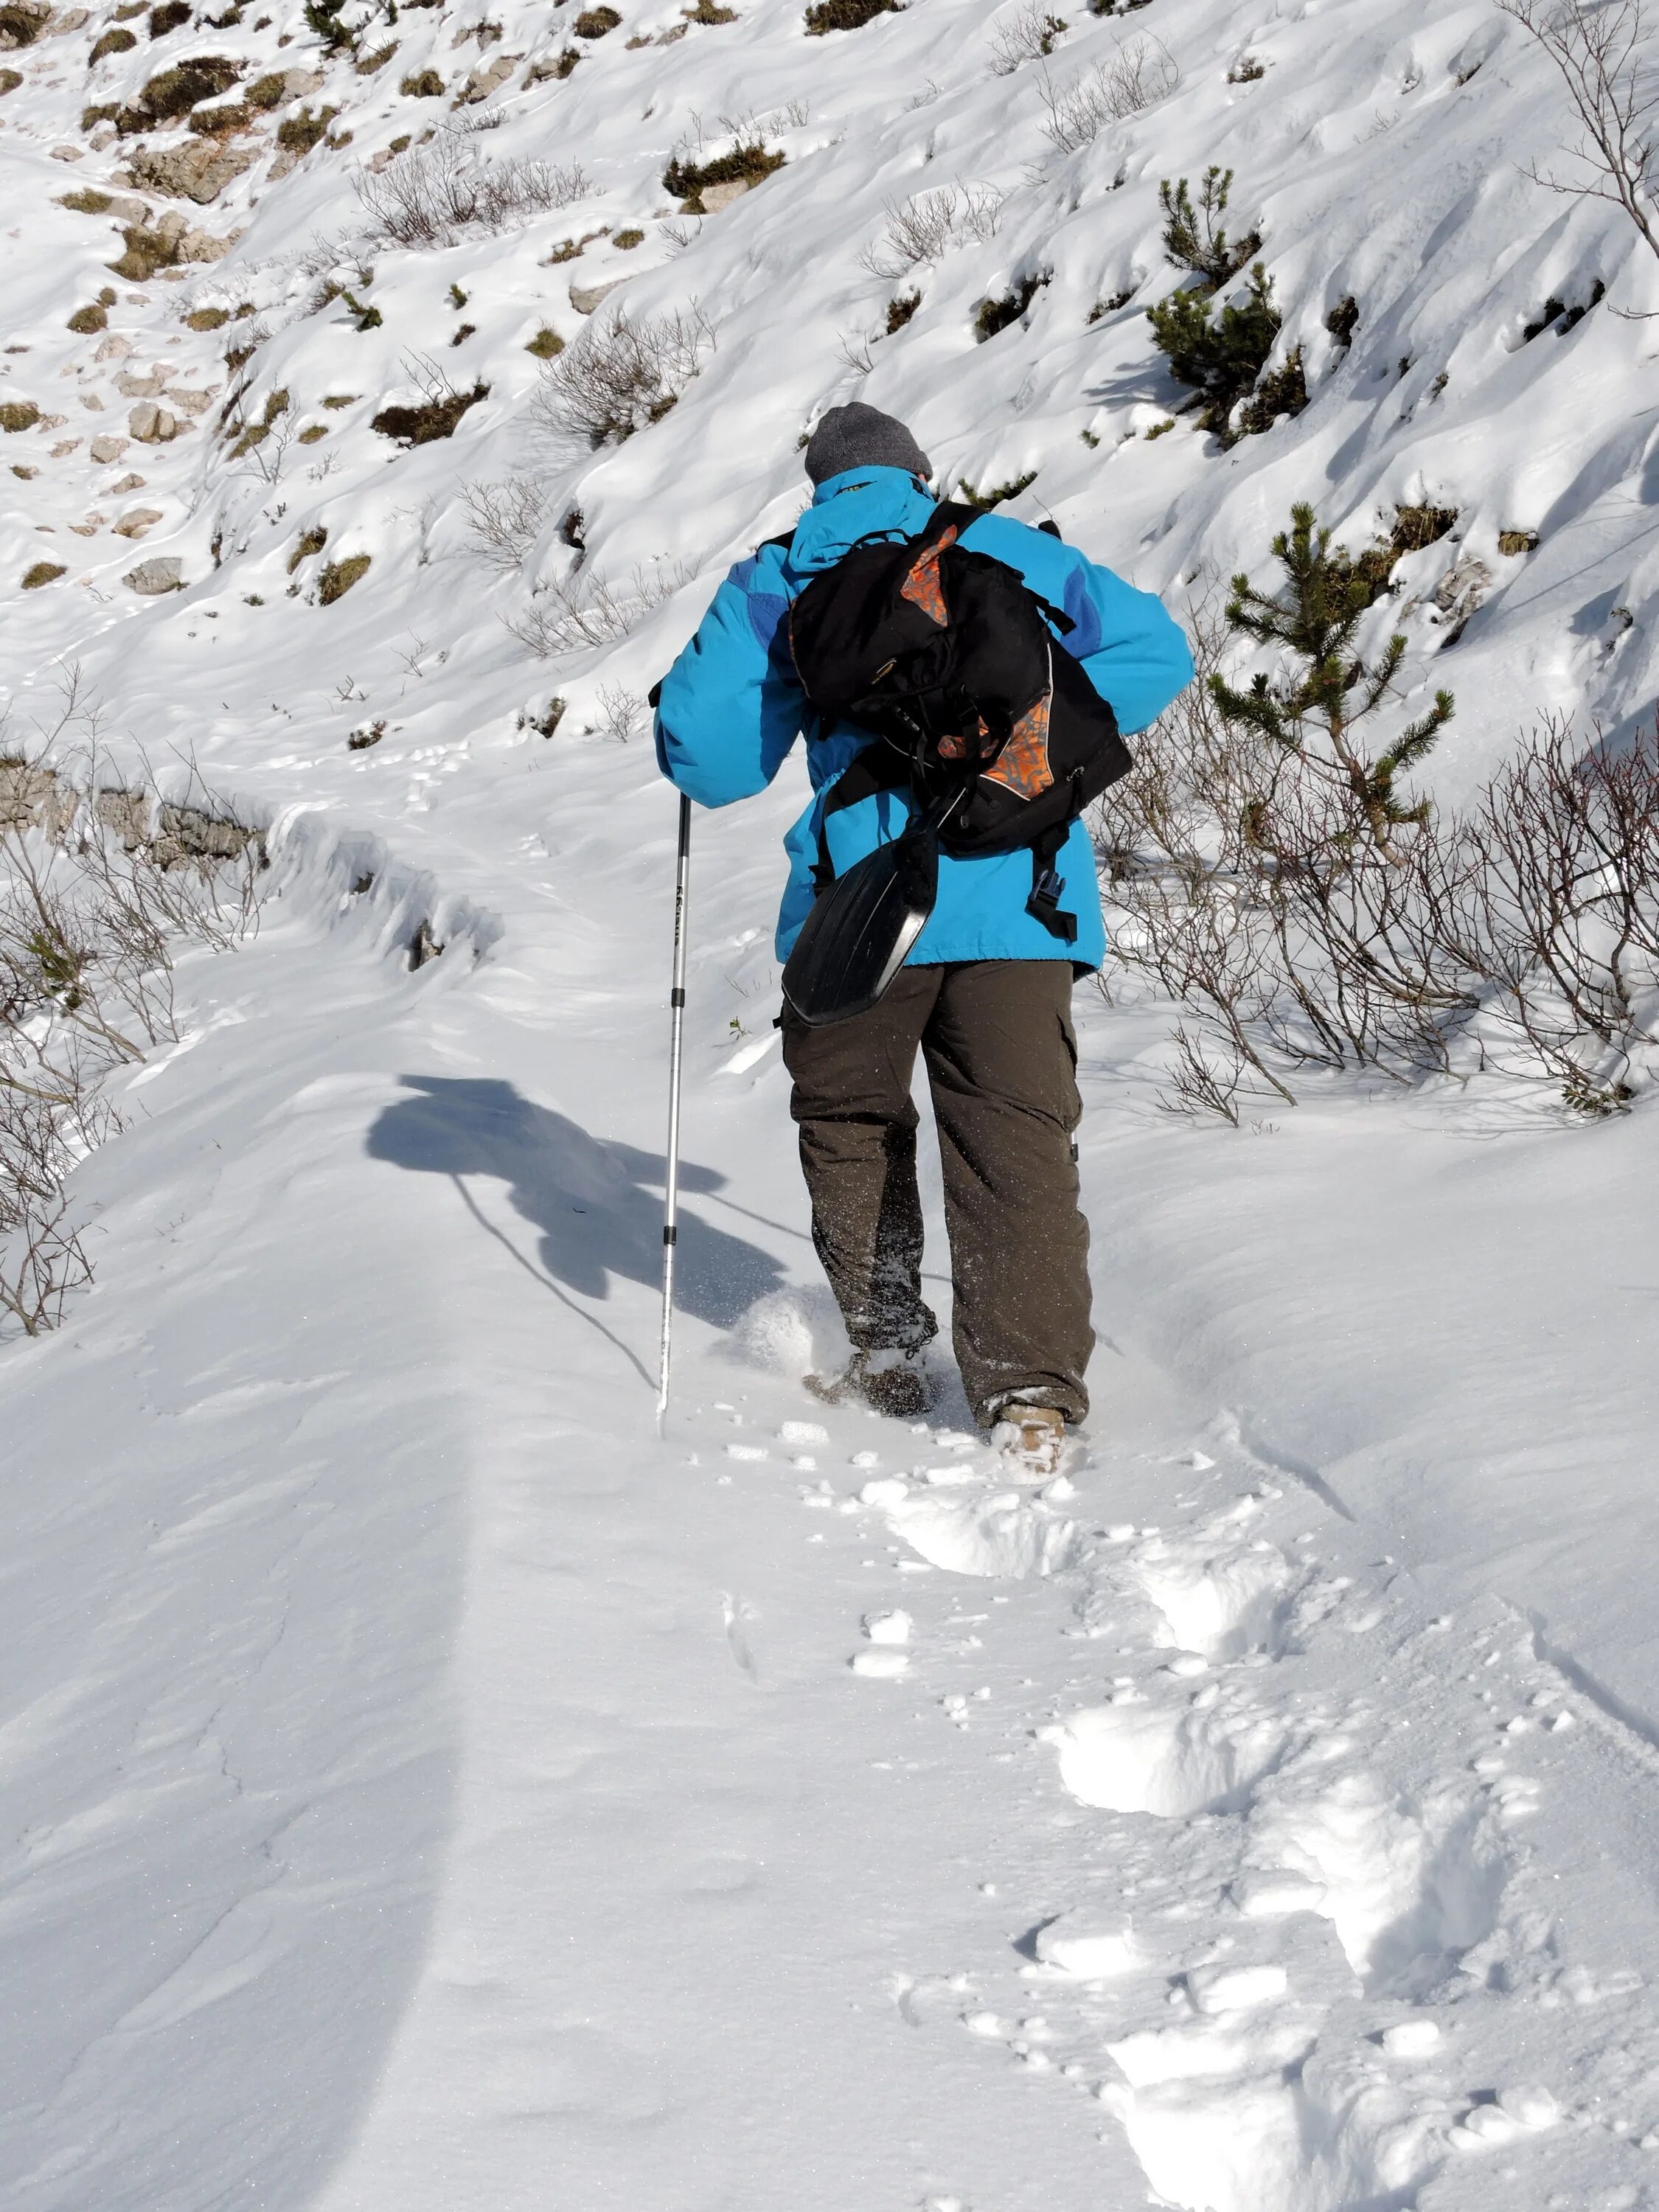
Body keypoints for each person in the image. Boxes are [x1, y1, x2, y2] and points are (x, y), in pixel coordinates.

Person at [653, 403, 1192, 1464]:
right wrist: (1010, 739)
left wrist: (682, 707)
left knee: (851, 1119)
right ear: (915, 473)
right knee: (1013, 1140)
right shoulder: (997, 545)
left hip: (859, 907)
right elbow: (1156, 655)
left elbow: (711, 765)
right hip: (1020, 900)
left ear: (818, 488)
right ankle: (1029, 1395)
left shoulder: (774, 580)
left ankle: (890, 1354)